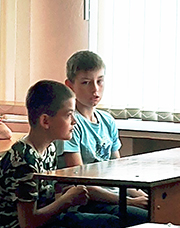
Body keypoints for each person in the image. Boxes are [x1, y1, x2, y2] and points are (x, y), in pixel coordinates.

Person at [0, 80, 139, 228]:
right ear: (45, 121)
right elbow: (28, 224)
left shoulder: (50, 148)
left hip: (48, 222)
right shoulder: (24, 160)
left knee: (113, 224)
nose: (74, 121)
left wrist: (66, 195)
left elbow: (50, 197)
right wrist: (66, 201)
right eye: (68, 115)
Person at [57, 50, 148, 219]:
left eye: (100, 81)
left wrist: (142, 196)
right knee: (142, 217)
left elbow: (118, 173)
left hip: (115, 195)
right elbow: (81, 184)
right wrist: (129, 201)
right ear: (70, 86)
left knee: (159, 209)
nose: (95, 89)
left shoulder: (107, 121)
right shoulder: (70, 124)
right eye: (86, 83)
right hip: (90, 202)